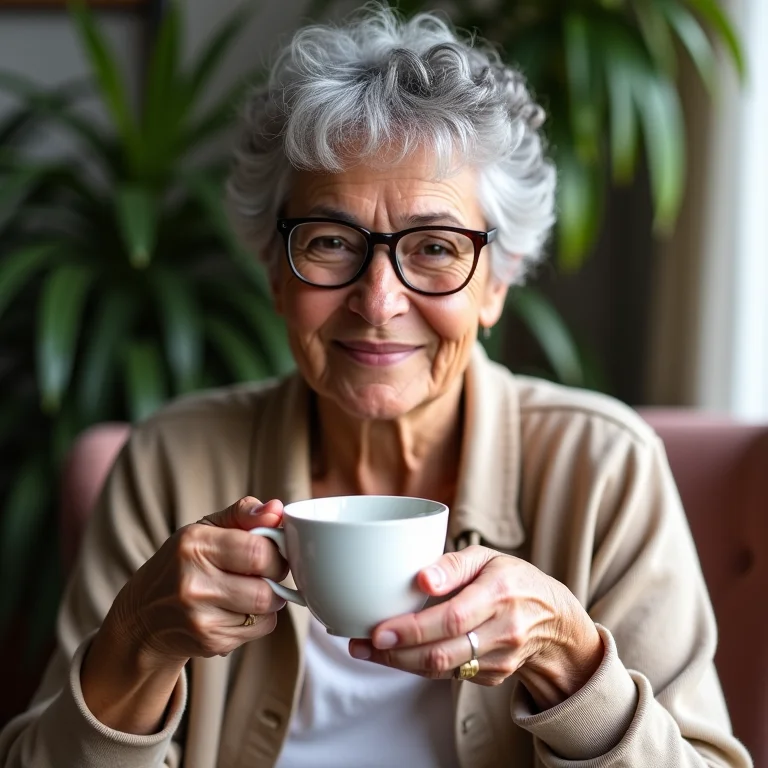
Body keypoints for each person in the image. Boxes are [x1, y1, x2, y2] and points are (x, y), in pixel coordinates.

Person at [0, 6, 752, 768]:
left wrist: (569, 654)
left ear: (496, 282)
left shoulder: (604, 469)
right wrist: (134, 642)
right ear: (273, 271)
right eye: (330, 243)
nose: (378, 300)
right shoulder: (172, 461)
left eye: (434, 248)